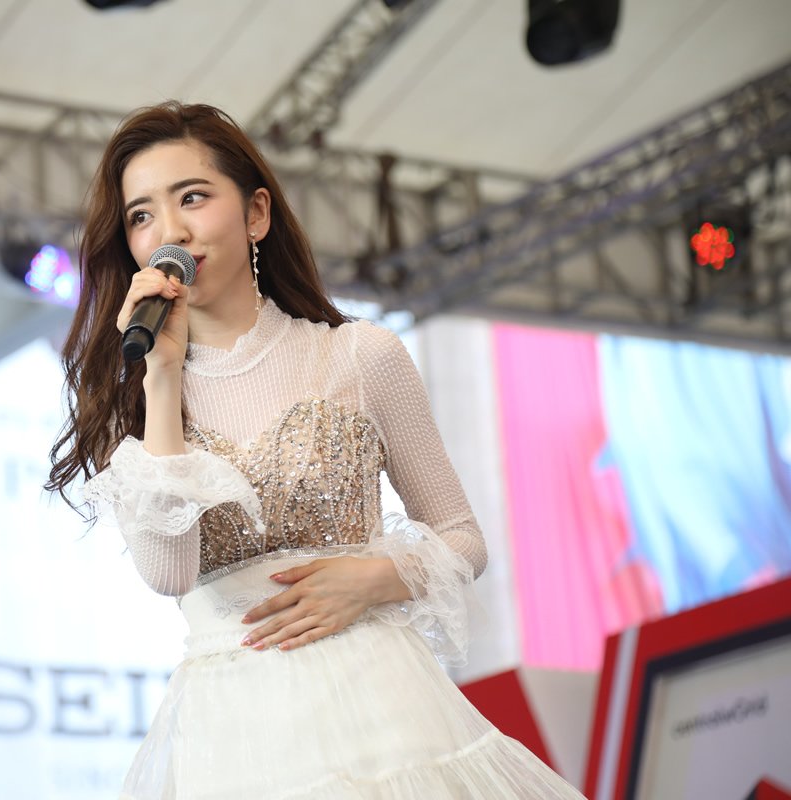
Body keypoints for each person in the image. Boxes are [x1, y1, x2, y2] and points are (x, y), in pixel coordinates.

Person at [47, 102, 586, 799]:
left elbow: (462, 537)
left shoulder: (361, 355)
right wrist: (162, 375)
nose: (170, 231)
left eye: (192, 198)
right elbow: (171, 574)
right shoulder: (137, 399)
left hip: (381, 706)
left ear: (256, 214)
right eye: (141, 215)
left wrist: (372, 580)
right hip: (236, 734)